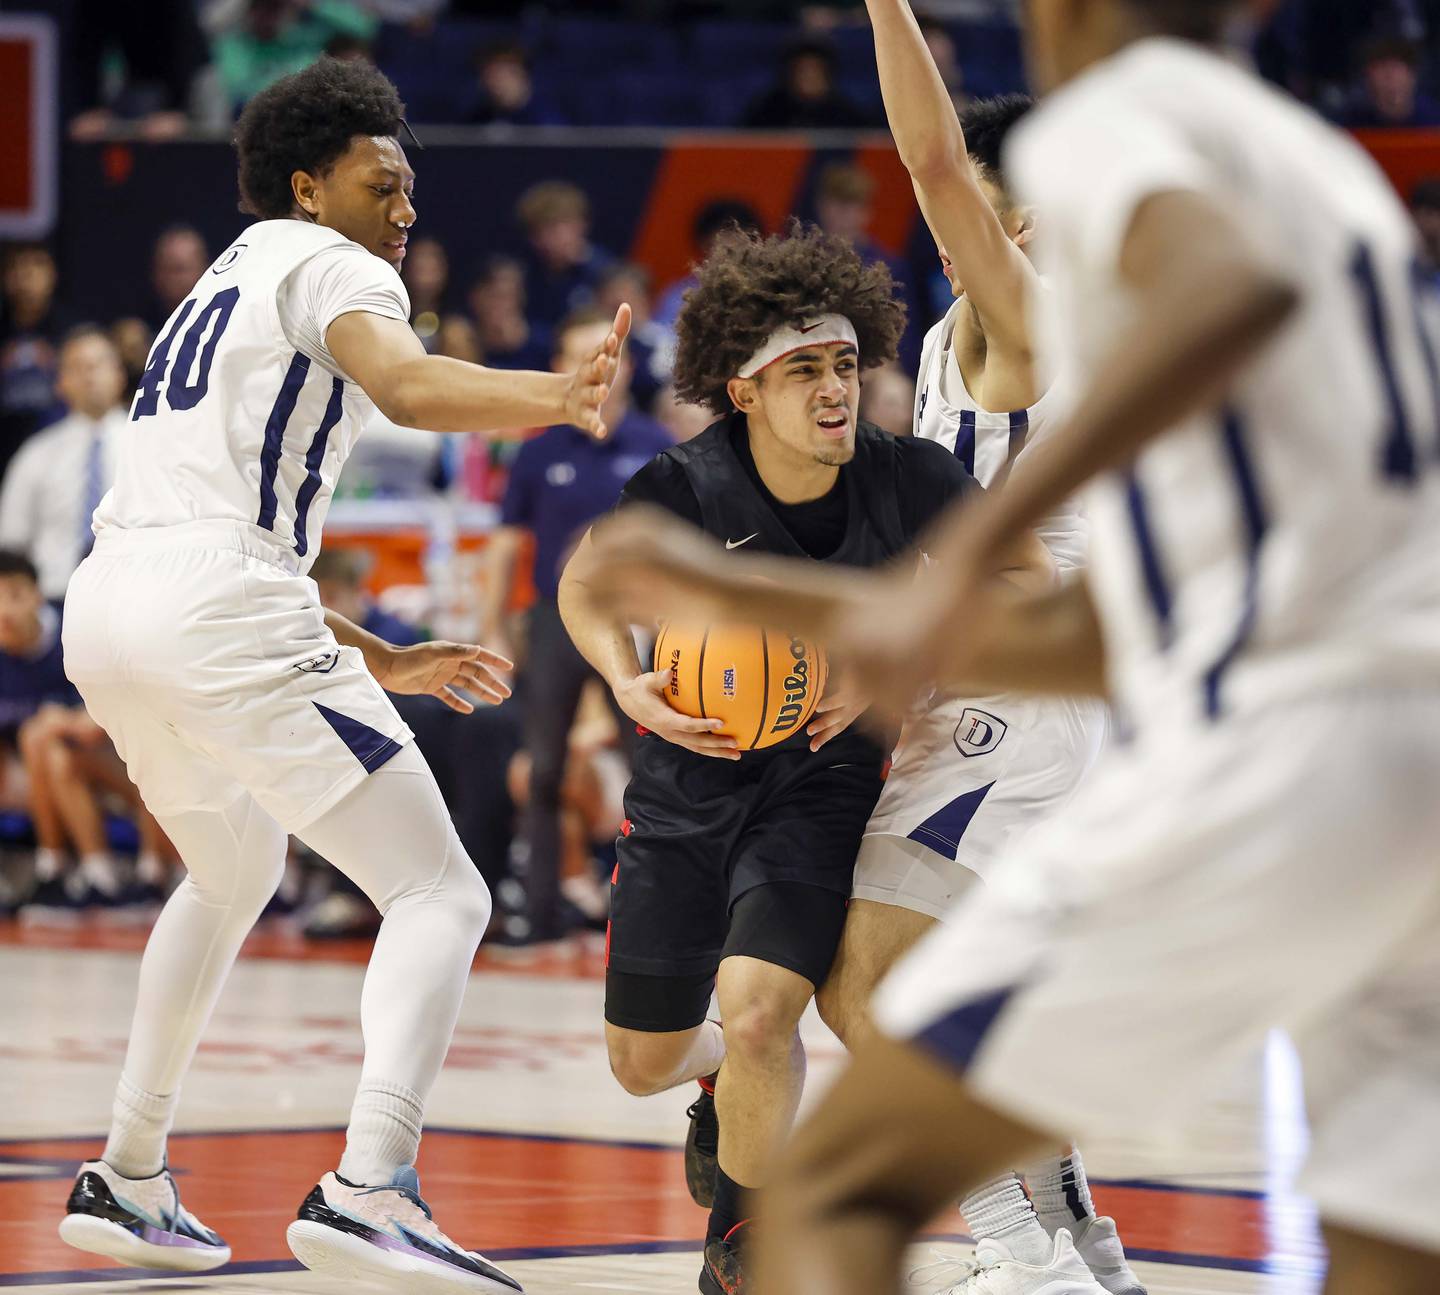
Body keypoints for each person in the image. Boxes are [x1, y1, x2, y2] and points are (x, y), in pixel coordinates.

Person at [585, 1, 1440, 1292]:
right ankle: (1075, 1235)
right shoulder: (1322, 174)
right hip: (1305, 697)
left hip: (1133, 716)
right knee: (1387, 1227)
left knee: (864, 988)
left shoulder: (1097, 192)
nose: (958, 229)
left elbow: (942, 164)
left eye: (984, 214)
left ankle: (1019, 1250)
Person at [56, 55, 625, 1293]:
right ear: (310, 187)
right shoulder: (333, 264)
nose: (406, 207)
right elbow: (406, 386)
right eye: (384, 183)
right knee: (441, 892)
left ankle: (128, 1169)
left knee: (232, 870)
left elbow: (211, 535)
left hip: (110, 606)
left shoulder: (220, 280)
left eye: (412, 186)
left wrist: (383, 653)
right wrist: (557, 391)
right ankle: (373, 1182)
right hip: (217, 604)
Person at [559, 223, 1050, 1295]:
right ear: (743, 390)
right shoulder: (683, 485)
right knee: (642, 1060)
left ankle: (739, 1241)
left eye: (844, 364)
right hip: (688, 782)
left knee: (760, 1010)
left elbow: (1021, 583)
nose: (835, 390)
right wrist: (625, 680)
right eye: (803, 371)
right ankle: (712, 1088)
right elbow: (585, 586)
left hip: (822, 781)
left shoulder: (908, 477)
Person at [481, 305, 671, 943]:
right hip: (555, 622)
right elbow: (505, 543)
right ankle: (539, 914)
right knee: (544, 767)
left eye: (609, 351)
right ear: (561, 365)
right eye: (583, 353)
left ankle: (651, 911)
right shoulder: (539, 452)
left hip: (637, 623)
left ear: (630, 364)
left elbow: (684, 543)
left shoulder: (655, 445)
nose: (600, 365)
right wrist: (492, 625)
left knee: (652, 768)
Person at [0, 328, 129, 602]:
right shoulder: (36, 453)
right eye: (77, 366)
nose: (89, 374)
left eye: (98, 363)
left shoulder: (148, 444)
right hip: (54, 598)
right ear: (60, 382)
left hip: (132, 595)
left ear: (120, 375)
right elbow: (11, 540)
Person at [515, 180, 614, 332]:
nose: (546, 240)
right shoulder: (527, 276)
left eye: (554, 228)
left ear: (581, 224)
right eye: (537, 232)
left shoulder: (606, 273)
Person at [654, 199, 763, 330]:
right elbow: (663, 337)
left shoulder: (765, 294)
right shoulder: (679, 296)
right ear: (704, 246)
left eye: (735, 249)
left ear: (755, 245)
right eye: (720, 248)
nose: (727, 259)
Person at [740, 36, 873, 130]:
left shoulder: (846, 114)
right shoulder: (768, 111)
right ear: (790, 74)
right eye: (803, 71)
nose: (810, 78)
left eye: (816, 71)